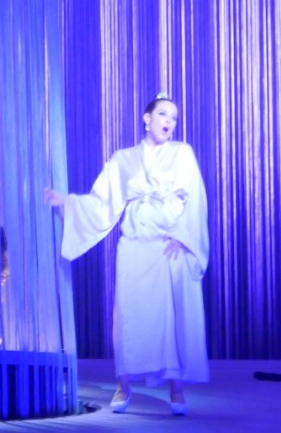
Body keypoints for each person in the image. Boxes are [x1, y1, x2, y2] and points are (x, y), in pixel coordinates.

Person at [44, 94, 209, 414]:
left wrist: (183, 237)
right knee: (129, 316)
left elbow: (196, 201)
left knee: (171, 319)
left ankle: (176, 389)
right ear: (147, 118)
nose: (169, 122)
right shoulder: (123, 159)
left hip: (167, 247)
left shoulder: (183, 154)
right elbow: (101, 201)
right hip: (135, 247)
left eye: (174, 117)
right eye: (163, 114)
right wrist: (68, 202)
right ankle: (124, 385)